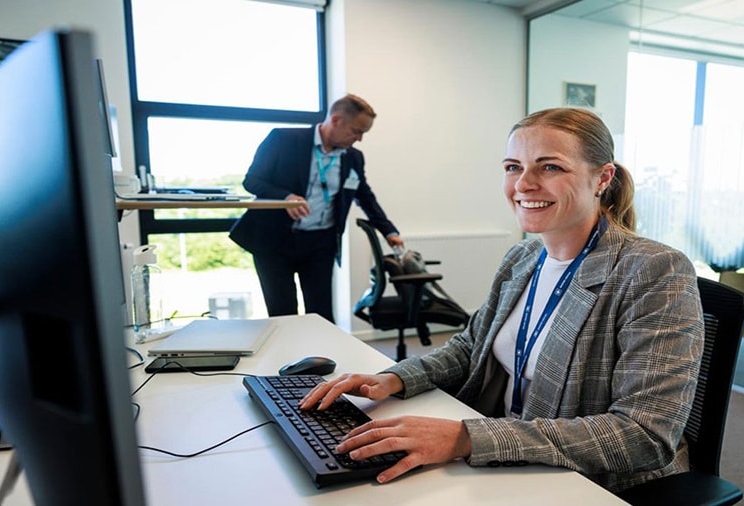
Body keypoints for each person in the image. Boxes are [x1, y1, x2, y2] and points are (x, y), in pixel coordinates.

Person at [299, 107, 705, 494]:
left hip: (590, 482)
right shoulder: (523, 257)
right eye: (513, 167)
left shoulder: (653, 270)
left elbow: (644, 434)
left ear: (602, 178)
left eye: (550, 167)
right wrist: (395, 378)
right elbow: (469, 347)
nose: (524, 184)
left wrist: (465, 437)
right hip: (508, 452)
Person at [229, 94, 403, 322]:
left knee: (320, 315)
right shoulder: (283, 139)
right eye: (356, 130)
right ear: (337, 120)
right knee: (282, 314)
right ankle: (287, 358)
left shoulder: (353, 158)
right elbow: (252, 180)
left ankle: (322, 358)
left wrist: (389, 231)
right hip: (274, 242)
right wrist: (286, 198)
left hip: (320, 243)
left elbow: (365, 197)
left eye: (364, 133)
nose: (359, 139)